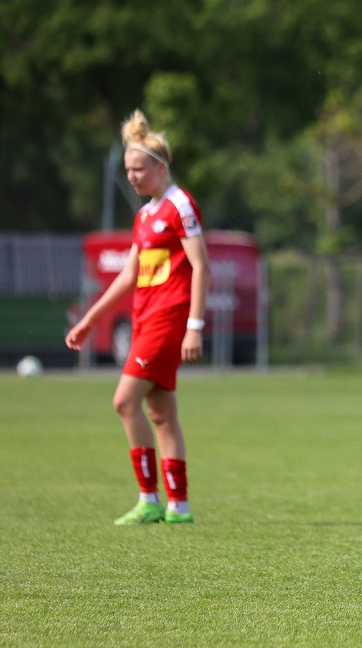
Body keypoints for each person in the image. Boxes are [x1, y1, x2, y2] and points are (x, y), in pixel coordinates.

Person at [66, 110, 211, 524]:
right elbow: (129, 276)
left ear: (159, 166)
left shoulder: (180, 205)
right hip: (145, 318)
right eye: (127, 169)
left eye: (138, 168)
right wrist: (90, 319)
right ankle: (178, 507)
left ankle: (149, 498)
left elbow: (201, 267)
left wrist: (194, 327)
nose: (131, 176)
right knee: (161, 411)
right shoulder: (145, 216)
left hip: (168, 319)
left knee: (123, 400)